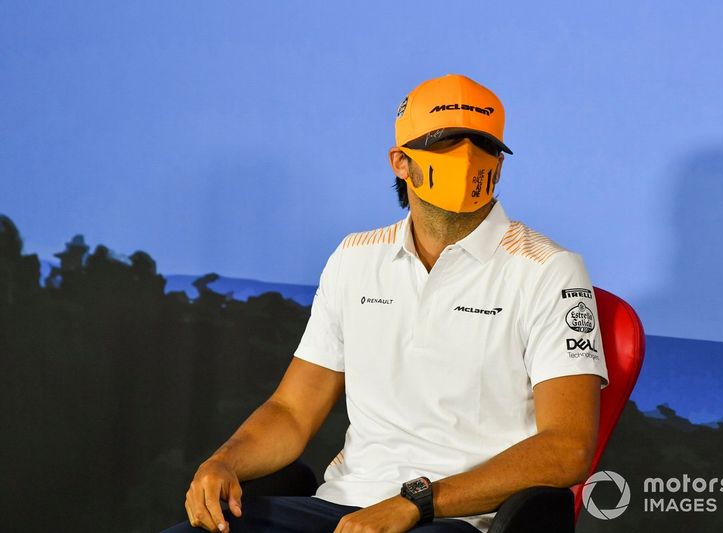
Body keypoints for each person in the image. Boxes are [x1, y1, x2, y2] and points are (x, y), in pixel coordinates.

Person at [163, 74, 608, 533]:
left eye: (484, 143)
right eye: (447, 141)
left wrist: (415, 503)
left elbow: (567, 447)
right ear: (400, 161)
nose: (468, 157)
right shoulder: (354, 259)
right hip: (342, 509)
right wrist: (223, 462)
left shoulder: (547, 269)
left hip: (462, 519)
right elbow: (292, 412)